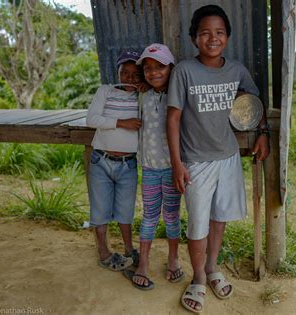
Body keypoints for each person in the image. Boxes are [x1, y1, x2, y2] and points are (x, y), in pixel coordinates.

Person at [166, 5, 270, 313]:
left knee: (218, 218)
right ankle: (197, 278)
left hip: (227, 158)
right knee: (198, 225)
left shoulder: (236, 70)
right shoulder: (185, 71)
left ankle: (212, 268)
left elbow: (254, 104)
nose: (213, 38)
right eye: (206, 33)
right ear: (194, 38)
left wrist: (262, 132)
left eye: (220, 32)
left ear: (228, 37)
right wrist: (177, 163)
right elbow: (172, 119)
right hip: (195, 161)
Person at [122, 44, 184, 290]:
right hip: (149, 167)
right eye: (148, 68)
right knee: (149, 215)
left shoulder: (178, 96)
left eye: (160, 67)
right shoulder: (142, 94)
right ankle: (144, 263)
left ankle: (174, 258)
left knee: (171, 216)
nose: (154, 72)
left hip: (173, 168)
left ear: (171, 68)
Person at [86, 50, 142, 272]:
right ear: (117, 73)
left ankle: (129, 249)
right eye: (124, 72)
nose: (129, 78)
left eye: (135, 74)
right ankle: (103, 251)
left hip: (128, 164)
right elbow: (92, 119)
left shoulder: (143, 97)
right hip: (101, 160)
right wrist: (122, 122)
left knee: (125, 210)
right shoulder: (105, 91)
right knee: (99, 208)